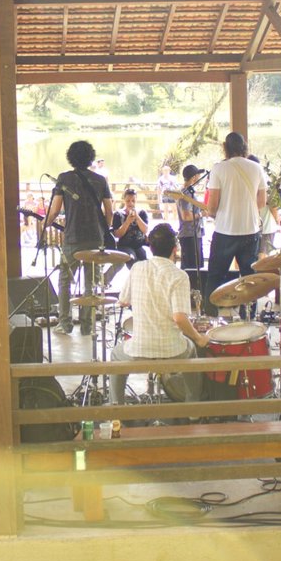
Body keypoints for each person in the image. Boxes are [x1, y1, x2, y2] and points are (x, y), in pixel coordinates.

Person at [112, 222, 211, 405]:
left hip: (139, 348)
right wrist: (198, 338)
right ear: (175, 249)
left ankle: (116, 409)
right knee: (191, 349)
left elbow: (124, 300)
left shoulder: (137, 268)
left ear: (150, 247)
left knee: (116, 355)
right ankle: (193, 407)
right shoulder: (179, 276)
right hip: (172, 349)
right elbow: (179, 318)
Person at [47, 140, 114, 334]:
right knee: (90, 283)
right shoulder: (100, 180)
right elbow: (109, 211)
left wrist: (46, 224)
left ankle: (65, 323)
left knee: (65, 280)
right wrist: (104, 230)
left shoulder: (64, 178)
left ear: (71, 158)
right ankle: (87, 326)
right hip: (95, 238)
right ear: (91, 157)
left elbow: (55, 210)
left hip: (73, 238)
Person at [202, 132, 266, 313]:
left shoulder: (219, 168)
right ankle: (249, 317)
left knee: (215, 276)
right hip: (250, 230)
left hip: (225, 231)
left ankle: (211, 317)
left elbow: (212, 206)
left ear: (225, 148)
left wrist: (210, 212)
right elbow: (261, 202)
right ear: (244, 147)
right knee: (249, 278)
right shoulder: (256, 168)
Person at [175, 165, 207, 284]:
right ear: (194, 177)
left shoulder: (188, 192)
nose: (199, 177)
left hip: (194, 233)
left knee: (196, 267)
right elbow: (186, 216)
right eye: (198, 175)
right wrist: (202, 214)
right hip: (189, 235)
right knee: (191, 270)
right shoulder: (186, 194)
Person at [111, 188, 149, 266]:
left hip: (139, 245)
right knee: (131, 259)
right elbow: (117, 234)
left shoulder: (142, 213)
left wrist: (137, 218)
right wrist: (127, 221)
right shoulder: (118, 214)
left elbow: (145, 230)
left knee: (145, 260)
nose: (131, 203)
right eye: (128, 201)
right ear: (124, 200)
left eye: (133, 201)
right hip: (125, 245)